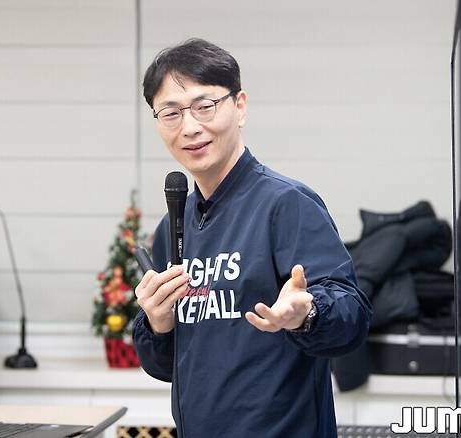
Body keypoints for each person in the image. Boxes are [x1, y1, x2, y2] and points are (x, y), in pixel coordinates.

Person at [132, 38, 372, 438]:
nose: (189, 127)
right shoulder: (172, 228)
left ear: (239, 106)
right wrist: (158, 324)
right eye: (171, 113)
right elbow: (166, 367)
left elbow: (353, 317)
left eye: (204, 106)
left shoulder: (286, 204)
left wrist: (308, 313)